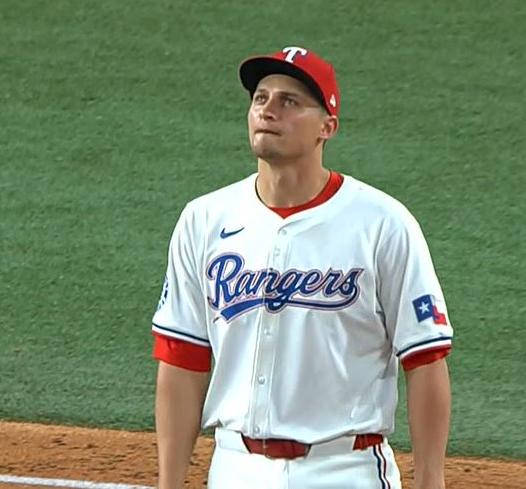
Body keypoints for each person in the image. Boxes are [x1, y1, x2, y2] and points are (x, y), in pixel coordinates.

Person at [151, 45, 454, 489]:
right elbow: (182, 357)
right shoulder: (204, 219)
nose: (268, 110)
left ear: (326, 127)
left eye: (289, 101)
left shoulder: (382, 224)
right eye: (260, 98)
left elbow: (425, 359)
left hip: (344, 470)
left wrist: (431, 482)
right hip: (235, 469)